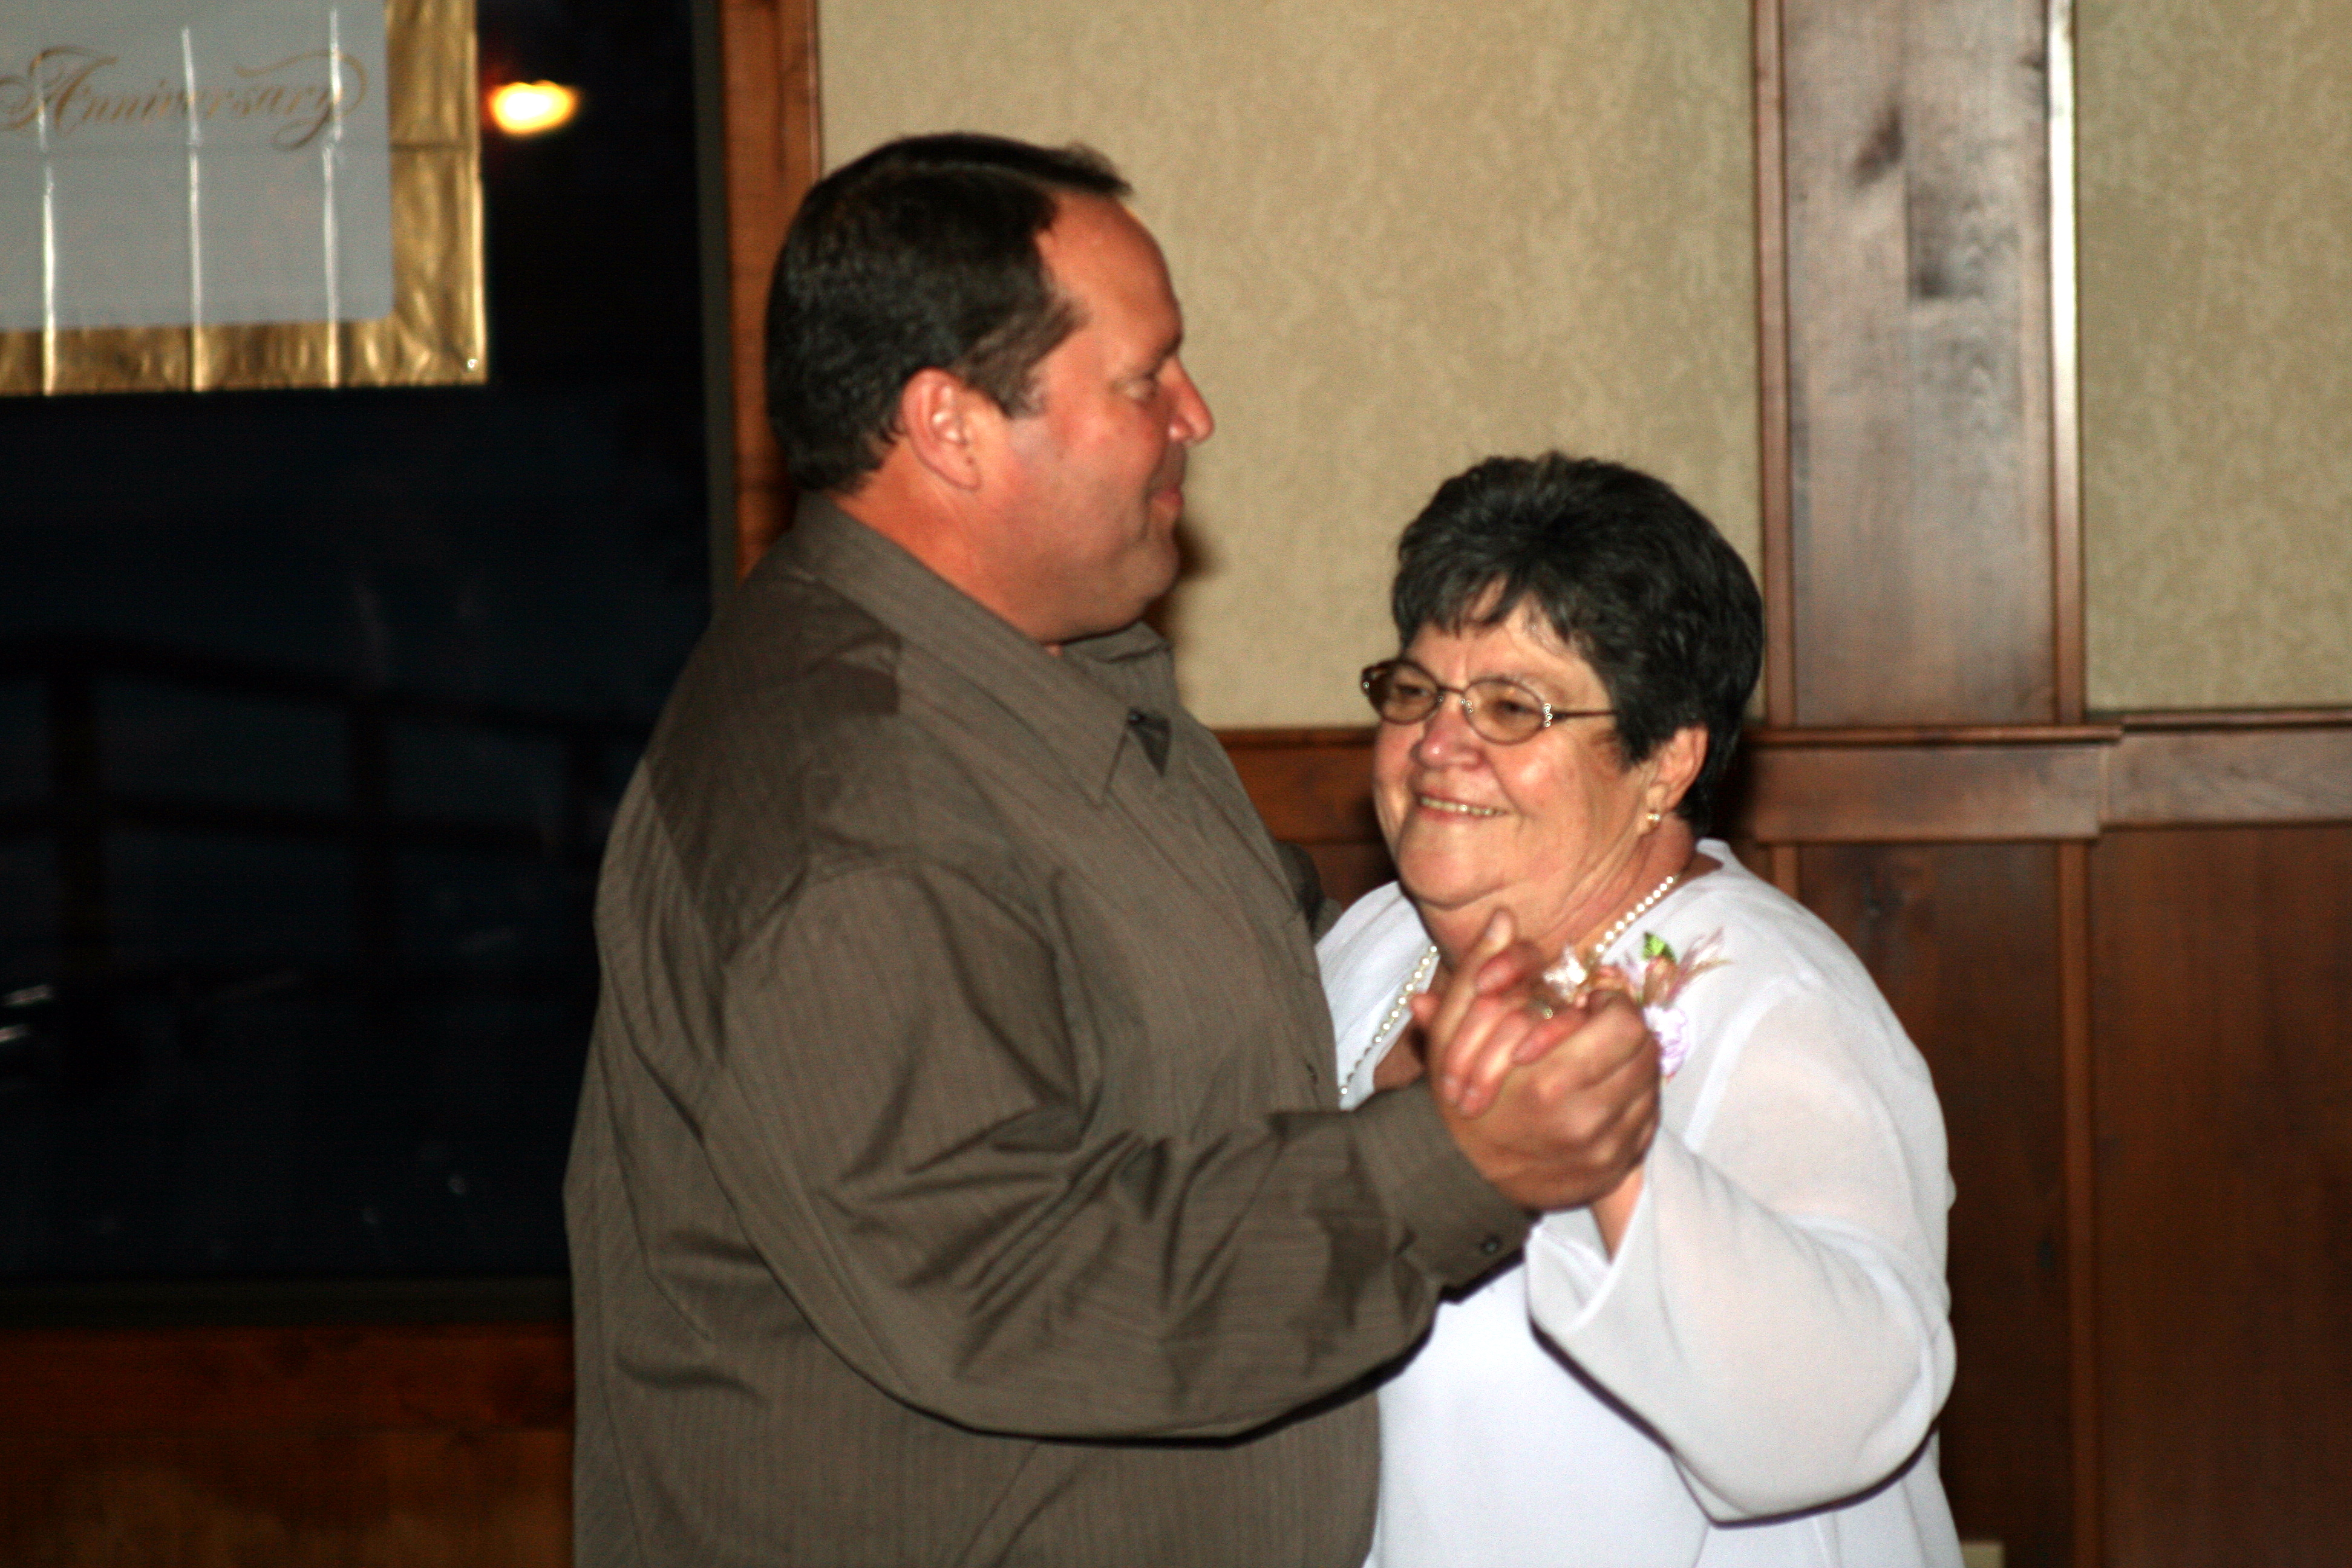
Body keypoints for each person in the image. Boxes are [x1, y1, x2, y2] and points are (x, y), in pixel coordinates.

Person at [564, 136, 1662, 1567]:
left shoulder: (1052, 678)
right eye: (1144, 380)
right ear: (951, 426)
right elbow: (1004, 1284)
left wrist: (1418, 1066)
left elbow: (1188, 1068)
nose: (1195, 415)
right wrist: (1448, 1167)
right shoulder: (846, 801)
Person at [1321, 452, 1964, 1567]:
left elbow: (1853, 1401)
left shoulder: (1768, 1004)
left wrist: (1610, 1162)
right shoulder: (1374, 945)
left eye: (1511, 707)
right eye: (1416, 692)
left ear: (1665, 761)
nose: (1437, 745)